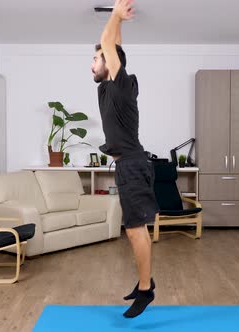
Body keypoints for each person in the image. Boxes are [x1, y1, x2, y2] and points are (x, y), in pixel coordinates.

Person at [91, 0, 159, 318]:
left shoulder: (121, 88)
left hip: (132, 165)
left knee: (135, 230)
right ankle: (145, 281)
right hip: (127, 164)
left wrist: (116, 15)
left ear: (110, 64)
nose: (92, 65)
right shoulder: (109, 87)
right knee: (134, 229)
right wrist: (118, 24)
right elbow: (112, 44)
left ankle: (146, 290)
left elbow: (109, 47)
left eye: (95, 60)